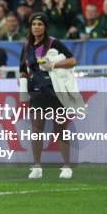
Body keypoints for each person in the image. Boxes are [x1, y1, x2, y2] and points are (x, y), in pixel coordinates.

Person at [19, 12, 77, 179]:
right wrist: (23, 80)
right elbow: (23, 69)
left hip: (55, 90)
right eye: (34, 24)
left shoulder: (54, 43)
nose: (37, 27)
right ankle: (36, 167)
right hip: (37, 92)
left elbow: (72, 60)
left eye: (40, 24)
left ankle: (66, 167)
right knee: (37, 130)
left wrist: (54, 64)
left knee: (60, 129)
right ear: (30, 27)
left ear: (45, 27)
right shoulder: (26, 46)